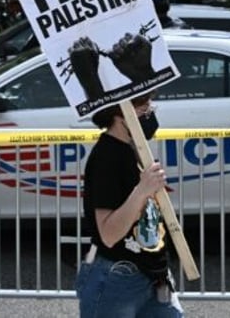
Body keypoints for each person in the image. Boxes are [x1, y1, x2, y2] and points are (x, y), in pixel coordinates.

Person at [76, 93, 183, 317]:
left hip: (154, 276)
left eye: (150, 107)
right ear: (119, 114)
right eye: (143, 109)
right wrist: (142, 190)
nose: (149, 114)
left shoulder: (135, 149)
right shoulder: (107, 156)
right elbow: (108, 233)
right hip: (117, 278)